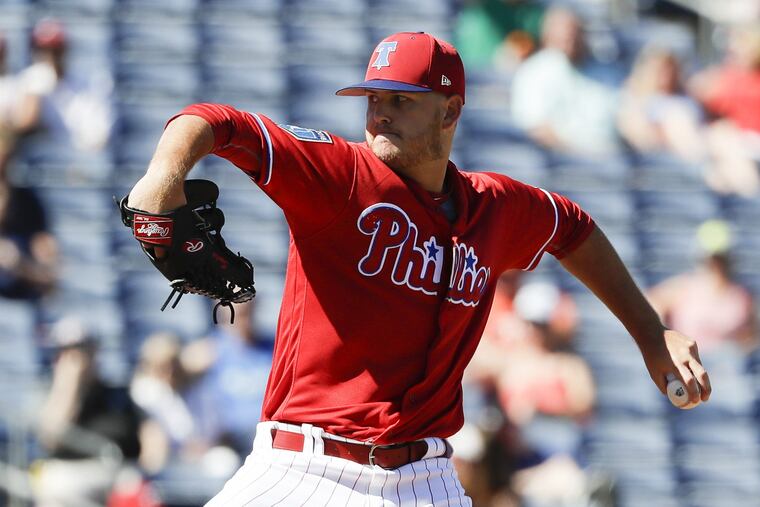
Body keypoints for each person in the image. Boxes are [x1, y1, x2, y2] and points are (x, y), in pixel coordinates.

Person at [125, 31, 710, 505]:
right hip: (305, 469)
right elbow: (215, 122)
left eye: (401, 100)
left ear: (451, 110)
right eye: (373, 99)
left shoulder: (496, 208)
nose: (379, 114)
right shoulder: (339, 174)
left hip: (427, 481)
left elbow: (574, 230)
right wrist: (162, 178)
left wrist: (650, 332)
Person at [34, 316, 142, 507]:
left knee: (134, 487)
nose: (75, 359)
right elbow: (50, 438)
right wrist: (69, 384)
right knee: (53, 484)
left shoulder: (116, 393)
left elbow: (142, 441)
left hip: (116, 472)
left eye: (80, 350)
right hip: (68, 471)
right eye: (65, 352)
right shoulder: (48, 392)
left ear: (94, 352)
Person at [509, 6, 621, 156]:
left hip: (609, 158)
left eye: (575, 33)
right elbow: (536, 127)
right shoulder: (533, 72)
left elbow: (624, 116)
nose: (570, 40)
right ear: (547, 35)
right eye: (564, 36)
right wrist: (577, 155)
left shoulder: (607, 71)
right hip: (560, 162)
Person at [648, 220, 757, 356]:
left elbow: (750, 339)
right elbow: (649, 309)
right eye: (713, 259)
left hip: (728, 369)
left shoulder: (743, 296)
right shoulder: (682, 288)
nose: (717, 265)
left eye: (721, 259)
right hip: (687, 366)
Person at [689, 24, 760, 196]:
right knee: (720, 139)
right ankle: (750, 198)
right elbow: (699, 89)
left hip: (753, 141)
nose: (736, 48)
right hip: (740, 143)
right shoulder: (727, 75)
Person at [617, 45, 706, 162]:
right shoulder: (635, 98)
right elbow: (636, 133)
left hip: (695, 149)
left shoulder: (686, 97)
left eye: (669, 69)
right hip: (654, 158)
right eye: (660, 69)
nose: (666, 75)